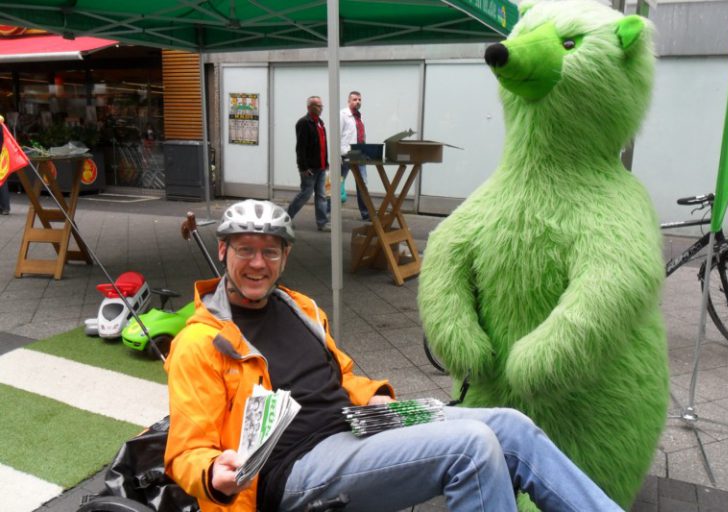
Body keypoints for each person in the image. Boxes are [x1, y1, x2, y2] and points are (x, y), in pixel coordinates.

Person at [164, 199, 623, 512]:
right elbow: (185, 450)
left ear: (284, 257)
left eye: (269, 251)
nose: (257, 264)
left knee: (512, 426)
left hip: (354, 424)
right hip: (291, 469)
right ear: (223, 251)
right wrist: (211, 472)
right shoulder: (200, 342)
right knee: (472, 447)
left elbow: (337, 376)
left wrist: (374, 398)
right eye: (245, 250)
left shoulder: (298, 306)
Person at [287, 96, 329, 231]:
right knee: (305, 194)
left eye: (321, 105)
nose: (321, 108)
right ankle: (285, 218)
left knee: (321, 195)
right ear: (309, 107)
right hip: (310, 168)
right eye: (318, 106)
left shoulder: (320, 123)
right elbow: (301, 147)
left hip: (321, 166)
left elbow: (323, 145)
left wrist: (326, 162)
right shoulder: (304, 123)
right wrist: (303, 167)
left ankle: (322, 223)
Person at [327, 91, 369, 221]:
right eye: (355, 99)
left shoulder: (359, 116)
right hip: (345, 156)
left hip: (359, 155)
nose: (358, 102)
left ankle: (366, 214)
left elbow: (361, 136)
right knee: (334, 184)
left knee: (363, 185)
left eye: (359, 99)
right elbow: (336, 135)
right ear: (349, 101)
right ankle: (328, 213)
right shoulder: (342, 115)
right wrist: (337, 156)